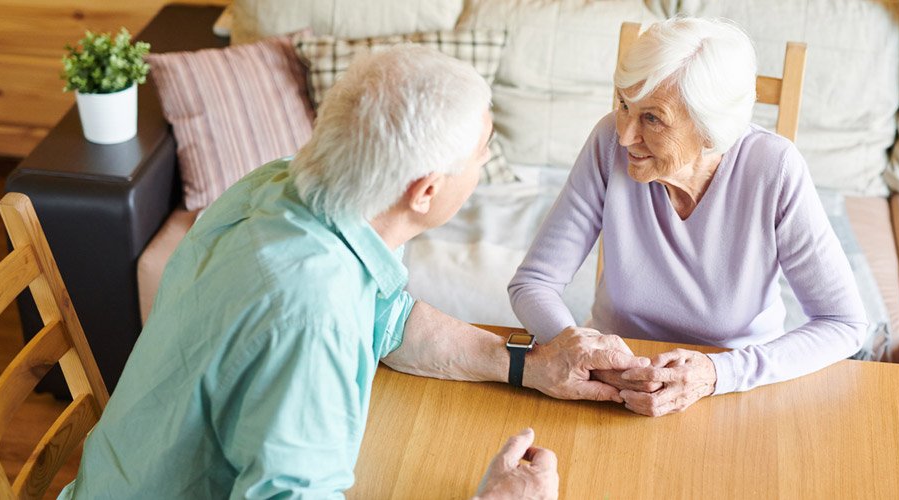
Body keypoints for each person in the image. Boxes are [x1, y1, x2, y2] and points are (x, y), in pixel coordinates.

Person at [61, 46, 648, 499]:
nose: (486, 162)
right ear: (426, 192)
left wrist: (528, 366)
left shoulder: (286, 186)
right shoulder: (311, 307)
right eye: (481, 152)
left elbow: (388, 317)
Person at [508, 17, 869, 418]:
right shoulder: (608, 142)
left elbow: (843, 323)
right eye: (625, 104)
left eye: (652, 118)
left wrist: (718, 373)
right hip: (614, 389)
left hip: (737, 392)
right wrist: (581, 349)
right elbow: (534, 282)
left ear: (711, 131)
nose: (626, 134)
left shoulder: (775, 168)